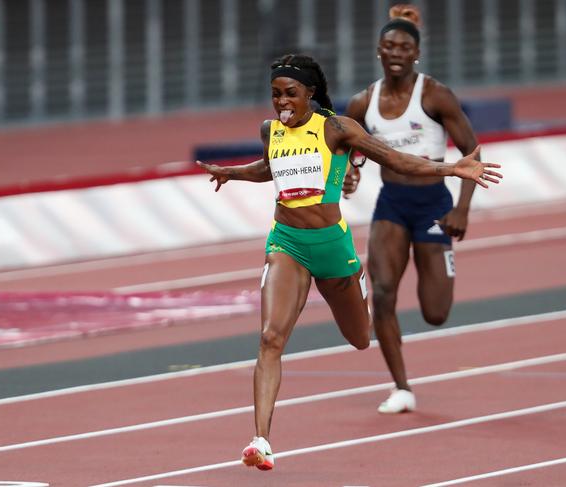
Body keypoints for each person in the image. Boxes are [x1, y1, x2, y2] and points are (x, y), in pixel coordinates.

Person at [197, 53, 502, 471]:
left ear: (311, 94)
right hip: (286, 243)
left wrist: (452, 168)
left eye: (290, 94)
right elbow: (272, 168)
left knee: (360, 337)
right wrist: (233, 173)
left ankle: (357, 289)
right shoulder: (270, 131)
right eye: (275, 95)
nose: (281, 103)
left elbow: (394, 159)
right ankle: (261, 440)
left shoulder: (337, 129)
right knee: (270, 338)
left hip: (333, 248)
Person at [343, 4, 481, 414]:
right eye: (389, 46)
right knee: (382, 295)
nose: (397, 53)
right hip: (392, 206)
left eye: (405, 46)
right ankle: (401, 386)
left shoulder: (435, 95)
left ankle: (442, 262)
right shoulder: (362, 102)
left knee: (436, 313)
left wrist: (462, 209)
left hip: (434, 206)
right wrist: (347, 173)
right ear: (379, 52)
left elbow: (471, 152)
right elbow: (343, 147)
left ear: (416, 53)